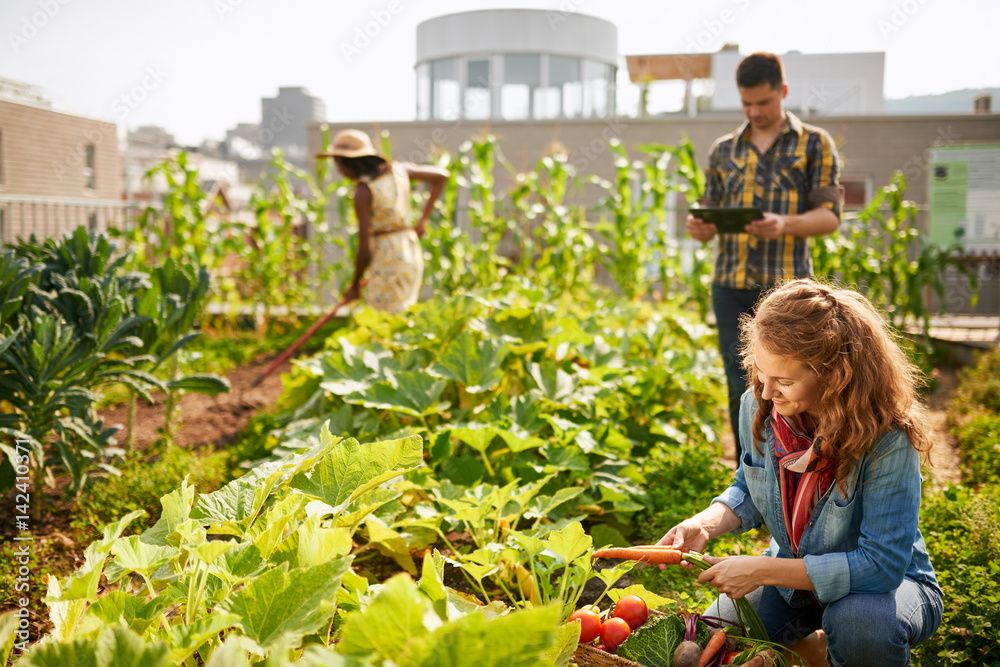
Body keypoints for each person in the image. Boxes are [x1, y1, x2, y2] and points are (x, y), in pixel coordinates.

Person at [658, 279, 943, 667]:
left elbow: (880, 567)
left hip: (885, 589)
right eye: (761, 372)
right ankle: (817, 650)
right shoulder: (759, 406)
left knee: (859, 624)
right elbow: (749, 486)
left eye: (785, 381)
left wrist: (761, 570)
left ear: (835, 375)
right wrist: (705, 525)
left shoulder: (886, 438)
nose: (766, 390)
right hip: (795, 584)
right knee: (711, 637)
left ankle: (843, 644)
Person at [687, 52, 843, 461]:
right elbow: (709, 211)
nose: (755, 111)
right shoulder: (723, 150)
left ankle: (799, 464)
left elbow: (829, 217)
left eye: (764, 103)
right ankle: (751, 474)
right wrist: (700, 228)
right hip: (730, 284)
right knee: (739, 382)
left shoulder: (814, 143)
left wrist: (784, 224)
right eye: (747, 104)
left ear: (783, 92)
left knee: (794, 382)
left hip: (787, 290)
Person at [317, 128, 447, 315]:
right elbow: (442, 176)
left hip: (387, 257)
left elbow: (365, 251)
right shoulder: (399, 170)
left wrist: (354, 285)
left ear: (352, 163)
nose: (339, 170)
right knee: (402, 313)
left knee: (381, 319)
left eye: (339, 164)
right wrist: (422, 221)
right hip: (408, 248)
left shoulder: (364, 191)